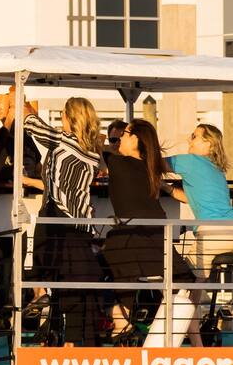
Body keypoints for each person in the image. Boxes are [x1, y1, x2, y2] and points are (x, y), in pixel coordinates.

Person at [102, 119, 195, 343]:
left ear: (136, 140)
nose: (119, 139)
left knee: (96, 273)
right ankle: (163, 333)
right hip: (154, 235)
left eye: (124, 134)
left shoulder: (118, 163)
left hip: (132, 238)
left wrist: (103, 142)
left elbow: (94, 146)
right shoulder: (150, 167)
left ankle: (123, 321)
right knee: (184, 282)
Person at [23, 97, 103, 346]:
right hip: (81, 222)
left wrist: (21, 102)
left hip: (60, 219)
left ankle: (41, 297)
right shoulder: (94, 152)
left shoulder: (64, 140)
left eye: (62, 115)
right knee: (72, 283)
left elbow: (31, 123)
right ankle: (67, 339)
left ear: (69, 117)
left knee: (56, 277)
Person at [158, 124, 233, 345]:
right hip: (229, 229)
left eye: (194, 136)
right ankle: (195, 337)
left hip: (212, 233)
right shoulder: (217, 169)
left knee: (181, 282)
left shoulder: (190, 161)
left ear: (208, 143)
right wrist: (166, 187)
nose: (189, 140)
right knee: (195, 285)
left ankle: (194, 344)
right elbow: (191, 198)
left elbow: (154, 163)